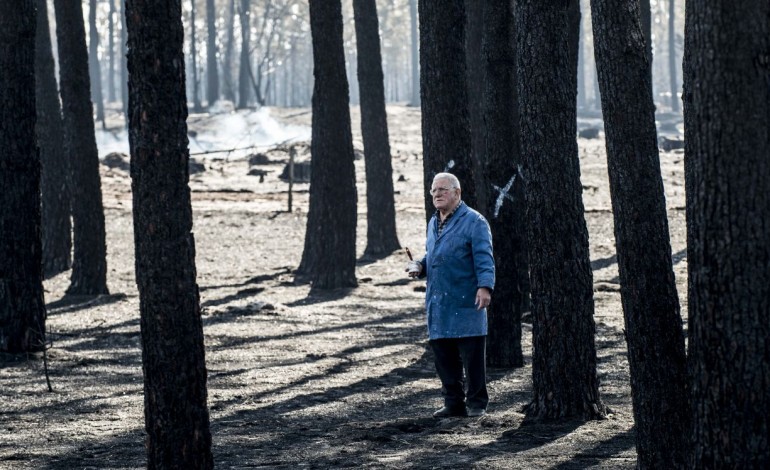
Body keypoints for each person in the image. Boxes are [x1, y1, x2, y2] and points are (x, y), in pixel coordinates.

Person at [406, 172, 495, 418]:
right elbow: (432, 254)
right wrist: (419, 266)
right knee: (444, 357)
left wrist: (485, 287)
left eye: (443, 190)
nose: (437, 194)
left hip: (467, 300)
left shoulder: (475, 222)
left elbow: (484, 258)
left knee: (472, 357)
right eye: (434, 190)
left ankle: (477, 404)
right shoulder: (433, 222)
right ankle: (453, 403)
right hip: (439, 301)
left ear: (457, 193)